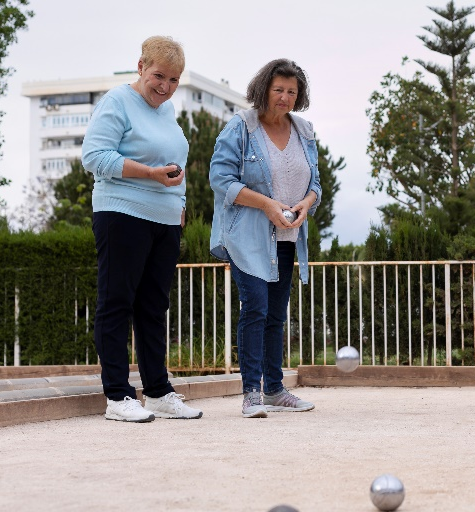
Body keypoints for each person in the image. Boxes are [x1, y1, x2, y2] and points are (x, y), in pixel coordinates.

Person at [82, 36, 202, 422]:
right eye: (158, 76)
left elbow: (176, 166)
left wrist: (179, 204)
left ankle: (157, 392)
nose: (165, 86)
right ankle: (117, 396)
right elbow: (94, 156)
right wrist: (150, 173)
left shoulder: (167, 112)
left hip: (165, 220)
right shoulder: (117, 101)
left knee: (153, 307)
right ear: (140, 67)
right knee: (117, 302)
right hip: (122, 212)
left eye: (174, 80)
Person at [209, 59, 321, 418]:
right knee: (255, 308)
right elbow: (221, 179)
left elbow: (315, 184)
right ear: (264, 90)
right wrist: (267, 205)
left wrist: (305, 204)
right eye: (279, 90)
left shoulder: (304, 130)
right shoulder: (241, 126)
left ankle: (274, 390)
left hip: (288, 236)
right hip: (248, 236)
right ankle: (251, 393)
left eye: (292, 91)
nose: (285, 97)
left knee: (275, 315)